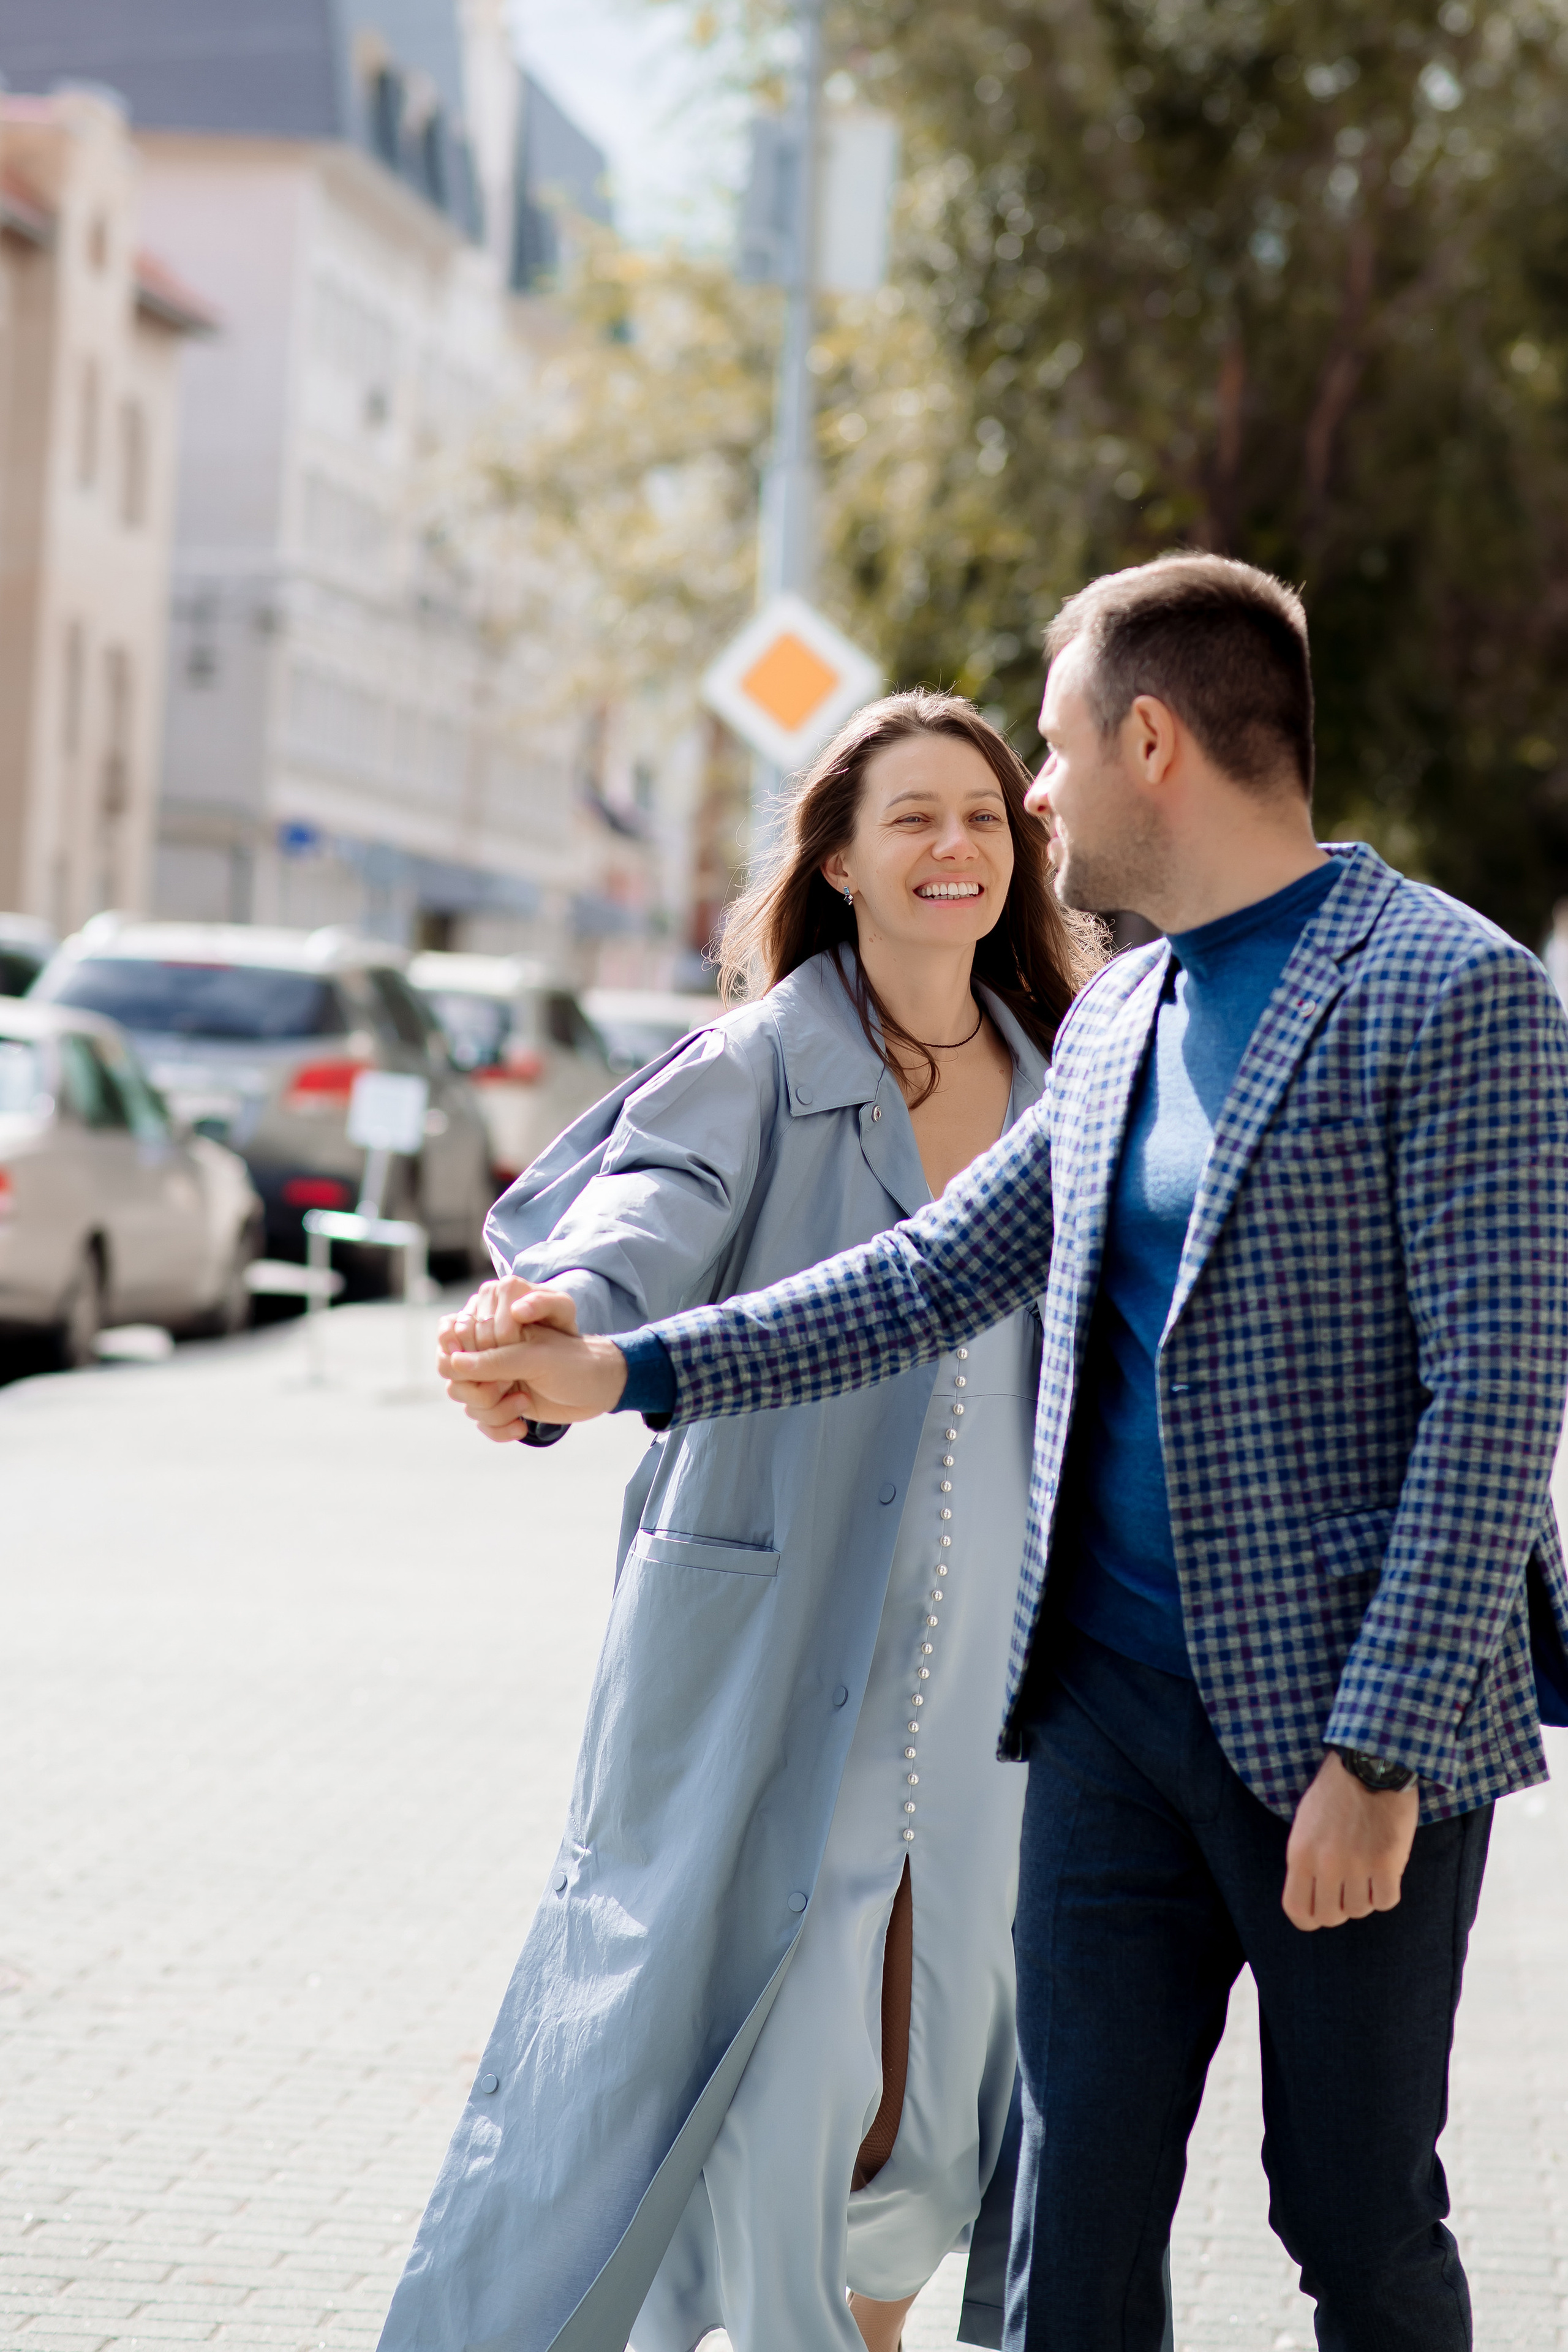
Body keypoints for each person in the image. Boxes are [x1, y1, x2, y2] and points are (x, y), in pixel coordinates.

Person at [448, 552, 1568, 2352]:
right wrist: (628, 1371)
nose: (1032, 799)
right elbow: (924, 1274)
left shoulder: (1453, 992)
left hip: (1340, 1742)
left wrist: (1379, 1751)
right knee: (1064, 2226)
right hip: (1106, 1724)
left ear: (1150, 741)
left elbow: (1499, 1406)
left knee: (1354, 2221)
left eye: (1046, 753)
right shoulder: (1119, 1014)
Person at [380, 691, 1102, 2352]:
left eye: (985, 818)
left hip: (1002, 1678)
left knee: (939, 2114)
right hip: (780, 1654)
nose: (956, 848)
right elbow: (645, 1217)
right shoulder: (763, 1062)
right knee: (778, 2084)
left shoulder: (1078, 1079)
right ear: (837, 859)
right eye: (914, 817)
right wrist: (560, 1307)